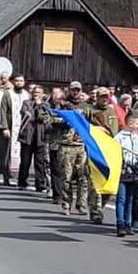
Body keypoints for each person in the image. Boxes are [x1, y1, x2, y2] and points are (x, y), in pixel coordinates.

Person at [53, 82, 95, 218]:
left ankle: (81, 205)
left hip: (81, 146)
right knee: (67, 177)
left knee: (83, 177)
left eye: (78, 90)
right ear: (69, 91)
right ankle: (66, 204)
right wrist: (66, 119)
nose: (76, 92)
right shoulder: (63, 104)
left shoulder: (86, 107)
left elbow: (90, 124)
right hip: (66, 145)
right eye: (73, 90)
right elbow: (53, 119)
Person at [113, 109, 138, 237]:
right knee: (121, 199)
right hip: (123, 171)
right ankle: (120, 224)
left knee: (130, 199)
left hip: (135, 171)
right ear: (130, 123)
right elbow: (114, 154)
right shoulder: (119, 138)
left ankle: (128, 223)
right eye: (136, 124)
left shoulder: (137, 138)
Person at [18, 84, 52, 191]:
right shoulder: (26, 103)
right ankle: (22, 181)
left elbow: (43, 118)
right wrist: (35, 107)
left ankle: (40, 184)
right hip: (27, 136)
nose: (36, 94)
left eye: (38, 93)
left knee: (40, 162)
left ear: (42, 95)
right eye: (35, 92)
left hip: (40, 137)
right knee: (25, 161)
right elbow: (26, 114)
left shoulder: (46, 105)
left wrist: (40, 105)